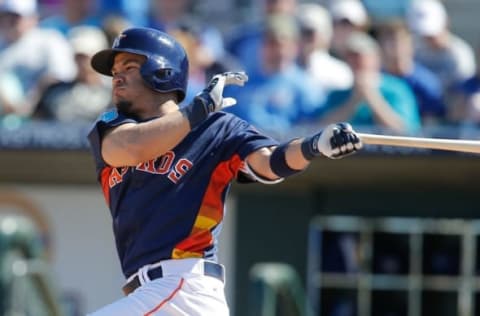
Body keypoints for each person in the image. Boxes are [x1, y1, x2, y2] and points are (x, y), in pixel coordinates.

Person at [86, 26, 362, 315]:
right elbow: (130, 148)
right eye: (115, 69)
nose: (117, 75)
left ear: (162, 71)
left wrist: (314, 145)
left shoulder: (217, 129)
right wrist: (198, 108)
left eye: (129, 66)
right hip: (152, 294)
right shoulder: (112, 125)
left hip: (183, 288)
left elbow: (270, 163)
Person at [318, 32, 421, 134]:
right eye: (350, 56)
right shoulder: (337, 95)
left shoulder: (397, 89)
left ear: (376, 58)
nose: (355, 61)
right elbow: (322, 131)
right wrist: (353, 102)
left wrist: (372, 97)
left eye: (360, 56)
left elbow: (404, 132)